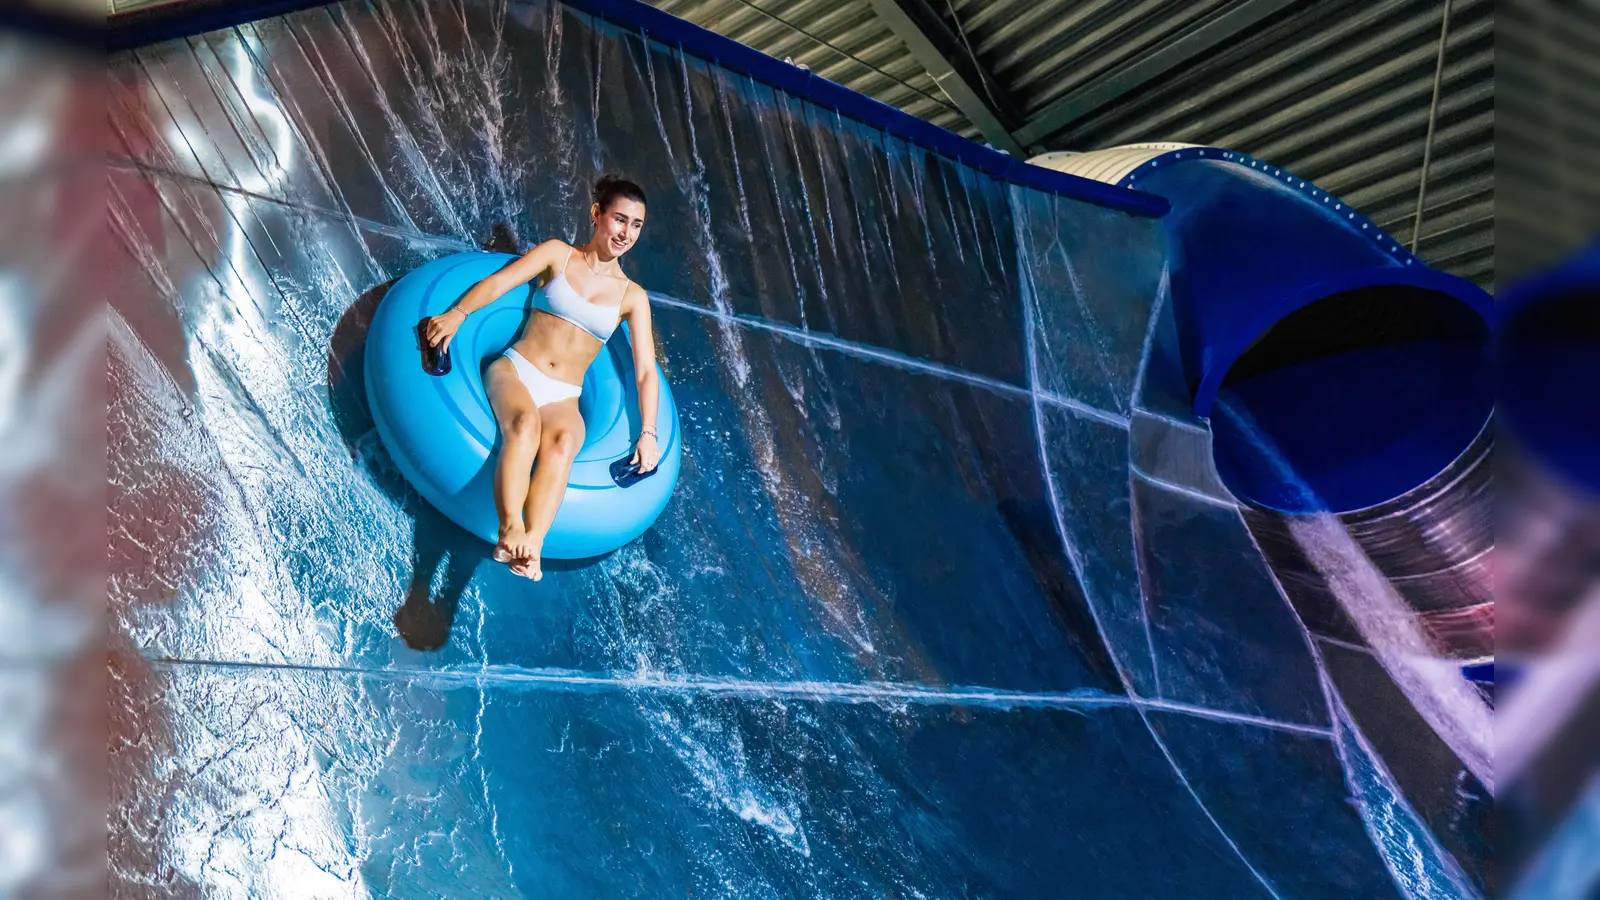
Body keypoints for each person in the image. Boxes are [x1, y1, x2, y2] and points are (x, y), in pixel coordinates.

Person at [422, 175, 660, 580]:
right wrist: (457, 315)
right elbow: (501, 282)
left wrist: (648, 433)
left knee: (565, 442)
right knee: (524, 426)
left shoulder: (632, 296)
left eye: (635, 225)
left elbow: (645, 370)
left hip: (565, 395)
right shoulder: (558, 255)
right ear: (596, 214)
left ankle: (532, 544)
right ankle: (510, 527)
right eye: (619, 220)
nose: (626, 233)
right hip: (517, 368)